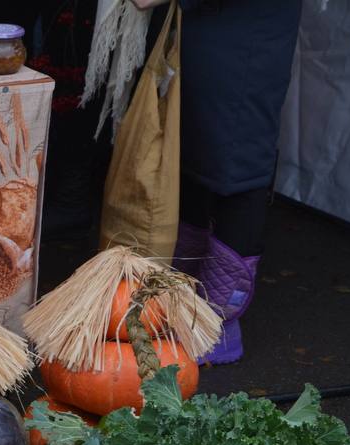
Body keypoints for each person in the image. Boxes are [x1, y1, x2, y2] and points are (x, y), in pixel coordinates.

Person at [133, 0, 302, 364]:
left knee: (238, 169)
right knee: (195, 159)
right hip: (206, 31)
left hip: (248, 39)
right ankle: (182, 303)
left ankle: (217, 322)